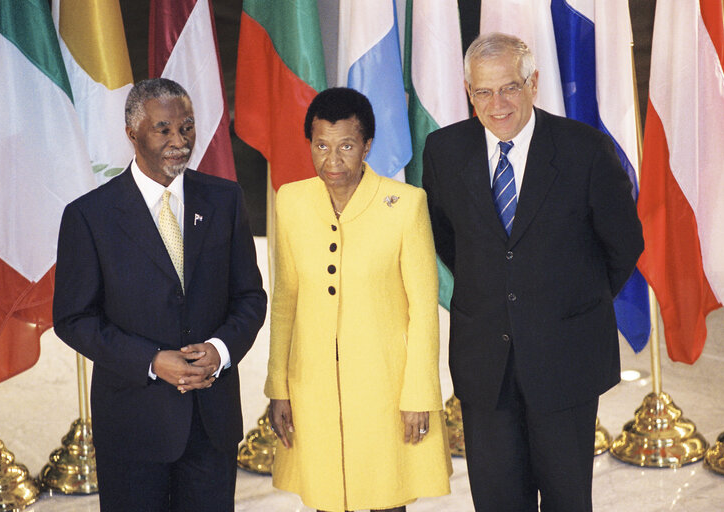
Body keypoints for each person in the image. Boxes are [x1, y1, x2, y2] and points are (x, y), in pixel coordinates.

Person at [422, 33, 644, 512]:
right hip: (485, 366)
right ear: (468, 91)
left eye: (509, 88)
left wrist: (568, 304)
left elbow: (624, 244)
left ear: (534, 83)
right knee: (498, 501)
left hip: (566, 360)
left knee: (567, 500)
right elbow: (448, 239)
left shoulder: (583, 149)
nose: (497, 103)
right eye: (483, 91)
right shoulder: (443, 151)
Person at [52, 78, 267, 512]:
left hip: (211, 421)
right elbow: (74, 318)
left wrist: (221, 350)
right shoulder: (89, 216)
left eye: (186, 127)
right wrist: (150, 362)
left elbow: (249, 296)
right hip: (133, 424)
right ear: (132, 134)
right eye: (163, 128)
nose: (179, 141)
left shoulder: (225, 199)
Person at [265, 87, 451, 512]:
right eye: (322, 146)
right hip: (313, 389)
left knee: (386, 498)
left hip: (384, 391)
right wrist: (279, 386)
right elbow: (285, 300)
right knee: (326, 497)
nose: (333, 161)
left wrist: (418, 395)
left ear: (367, 145)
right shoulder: (291, 201)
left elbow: (424, 310)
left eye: (347, 146)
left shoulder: (405, 205)